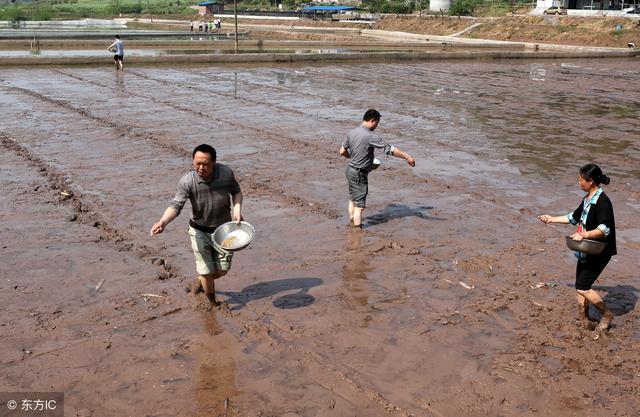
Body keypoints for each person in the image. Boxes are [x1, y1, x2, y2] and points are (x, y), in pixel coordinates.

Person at [150, 144, 243, 305]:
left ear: (214, 162)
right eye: (197, 163)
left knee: (221, 271)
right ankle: (213, 304)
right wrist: (163, 222)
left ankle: (201, 280)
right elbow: (176, 205)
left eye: (205, 164)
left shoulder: (226, 173)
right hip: (199, 231)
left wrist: (237, 209)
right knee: (207, 271)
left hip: (224, 231)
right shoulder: (187, 181)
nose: (201, 168)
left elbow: (236, 192)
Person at [538, 163, 616, 331]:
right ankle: (584, 319)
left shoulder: (603, 201)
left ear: (591, 181)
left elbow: (604, 229)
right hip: (587, 249)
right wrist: (551, 218)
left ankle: (607, 314)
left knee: (583, 286)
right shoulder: (587, 199)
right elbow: (573, 218)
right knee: (580, 285)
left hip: (601, 250)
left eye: (581, 180)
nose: (579, 183)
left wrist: (583, 234)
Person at [339, 109, 416, 228]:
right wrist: (407, 156)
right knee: (359, 206)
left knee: (352, 198)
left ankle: (352, 221)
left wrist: (353, 157)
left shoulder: (351, 132)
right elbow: (389, 149)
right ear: (372, 121)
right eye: (377, 123)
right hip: (360, 173)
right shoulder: (370, 136)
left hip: (350, 170)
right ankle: (357, 231)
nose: (376, 126)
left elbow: (342, 151)